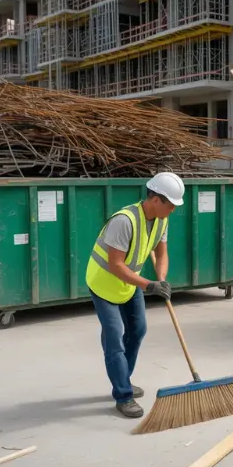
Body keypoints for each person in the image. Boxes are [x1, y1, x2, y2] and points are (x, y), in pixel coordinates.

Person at [85, 172, 184, 418]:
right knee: (114, 337)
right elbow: (116, 265)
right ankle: (123, 395)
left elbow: (162, 254)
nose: (173, 210)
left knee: (138, 330)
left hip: (129, 285)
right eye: (171, 205)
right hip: (104, 284)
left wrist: (161, 280)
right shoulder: (124, 221)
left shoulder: (161, 220)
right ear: (156, 200)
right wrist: (149, 286)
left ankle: (123, 380)